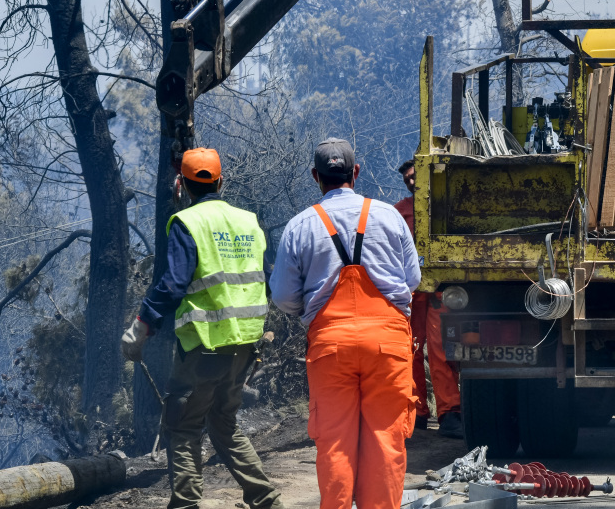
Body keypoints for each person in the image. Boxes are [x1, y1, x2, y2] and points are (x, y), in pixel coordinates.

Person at [120, 148, 283, 509]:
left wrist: (141, 327)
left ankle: (186, 504)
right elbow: (268, 278)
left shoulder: (187, 223)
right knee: (223, 422)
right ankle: (267, 499)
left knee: (182, 424)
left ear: (181, 185)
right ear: (221, 182)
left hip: (205, 346)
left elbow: (173, 284)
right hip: (246, 344)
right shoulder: (248, 222)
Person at [270, 139, 420, 509]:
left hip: (330, 347)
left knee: (335, 443)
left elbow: (284, 298)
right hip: (387, 343)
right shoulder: (389, 216)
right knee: (386, 441)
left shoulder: (300, 226)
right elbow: (412, 279)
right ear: (356, 172)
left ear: (315, 177)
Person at [394, 160, 463, 438]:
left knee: (440, 349)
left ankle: (449, 413)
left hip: (438, 289)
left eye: (414, 176)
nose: (411, 182)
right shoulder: (398, 212)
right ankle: (416, 413)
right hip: (411, 291)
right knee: (407, 349)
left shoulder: (445, 206)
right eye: (406, 179)